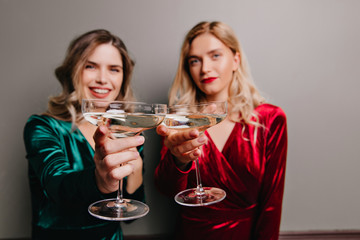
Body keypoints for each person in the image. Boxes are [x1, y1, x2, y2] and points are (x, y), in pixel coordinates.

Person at [155, 21, 288, 239]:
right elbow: (167, 189)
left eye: (215, 55)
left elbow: (272, 204)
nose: (205, 68)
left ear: (235, 60)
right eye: (195, 60)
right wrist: (178, 160)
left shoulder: (270, 118)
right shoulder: (178, 120)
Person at [23, 29, 145, 240]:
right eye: (91, 66)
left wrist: (137, 167)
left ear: (124, 77)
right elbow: (58, 188)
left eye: (114, 69)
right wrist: (100, 180)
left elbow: (130, 216)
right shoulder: (43, 127)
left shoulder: (126, 130)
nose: (103, 79)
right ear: (74, 71)